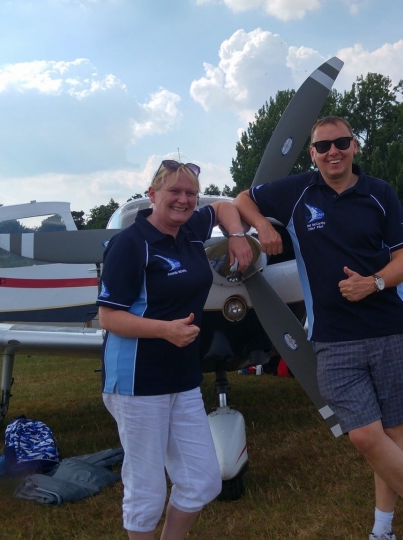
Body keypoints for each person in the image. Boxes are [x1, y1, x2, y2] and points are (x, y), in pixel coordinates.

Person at [234, 116, 403, 540]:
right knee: (363, 436)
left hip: (391, 327)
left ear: (355, 146)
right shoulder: (297, 192)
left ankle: (382, 530)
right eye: (323, 146)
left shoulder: (380, 193)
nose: (332, 152)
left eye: (341, 143)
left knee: (390, 433)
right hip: (332, 337)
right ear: (312, 154)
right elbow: (242, 198)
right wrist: (262, 226)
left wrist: (372, 283)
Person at [97, 159, 253, 540]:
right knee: (147, 492)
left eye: (191, 193)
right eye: (174, 191)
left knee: (203, 480)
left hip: (182, 377)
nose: (183, 200)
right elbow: (108, 317)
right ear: (152, 195)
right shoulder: (129, 244)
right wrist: (165, 330)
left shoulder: (191, 231)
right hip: (137, 380)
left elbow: (223, 207)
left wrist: (236, 236)